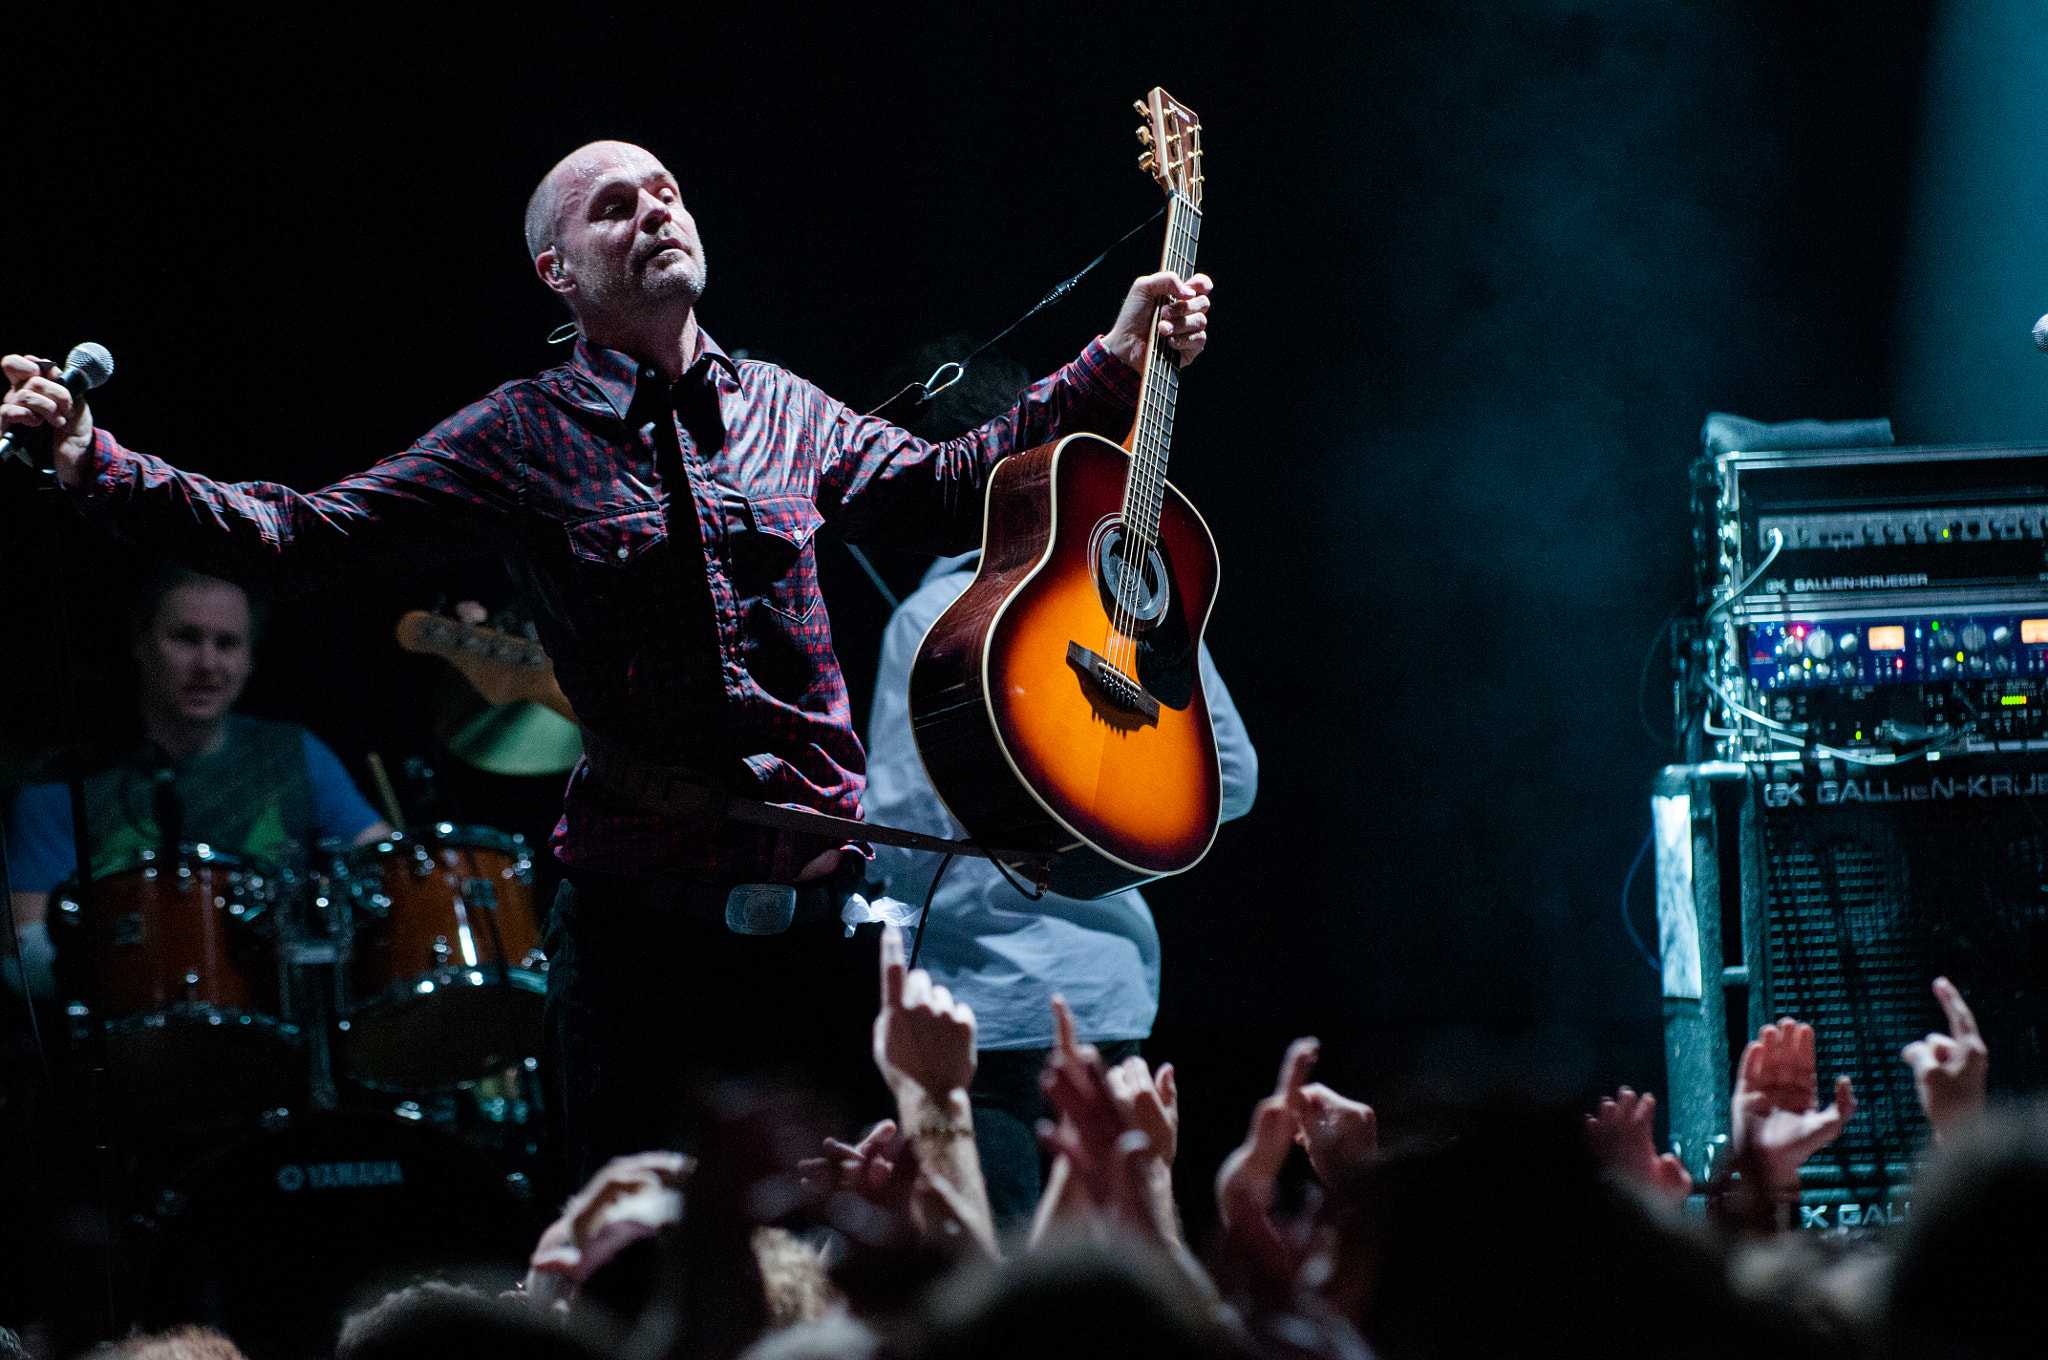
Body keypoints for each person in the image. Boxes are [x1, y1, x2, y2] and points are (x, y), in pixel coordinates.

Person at [0, 138, 1214, 1182]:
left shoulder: (787, 410)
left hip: (818, 934)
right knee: (644, 1270)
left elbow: (953, 483)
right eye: (614, 206)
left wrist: (1109, 359)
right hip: (646, 940)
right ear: (558, 272)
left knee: (848, 1261)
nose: (654, 212)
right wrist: (95, 461)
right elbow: (302, 533)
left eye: (667, 191)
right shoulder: (519, 433)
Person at [861, 551, 1255, 1234]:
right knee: (1129, 1285)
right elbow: (1233, 779)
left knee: (1005, 1300)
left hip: (979, 1012)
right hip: (1109, 998)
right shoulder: (1125, 602)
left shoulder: (936, 612)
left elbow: (897, 836)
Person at [4, 566, 389, 997]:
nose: (207, 664)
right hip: (132, 1032)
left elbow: (388, 867)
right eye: (186, 638)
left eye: (227, 644)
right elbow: (24, 952)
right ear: (141, 643)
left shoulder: (293, 752)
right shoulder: (64, 781)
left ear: (249, 659)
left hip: (284, 1021)